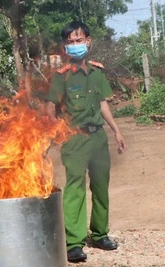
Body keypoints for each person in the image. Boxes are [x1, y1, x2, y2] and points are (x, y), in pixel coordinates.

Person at [45, 21, 127, 263]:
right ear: (64, 47)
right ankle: (74, 242)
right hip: (75, 139)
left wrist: (117, 131)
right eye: (70, 42)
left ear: (88, 41)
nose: (75, 45)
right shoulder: (61, 77)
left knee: (101, 186)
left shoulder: (97, 71)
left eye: (79, 40)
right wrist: (56, 132)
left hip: (98, 138)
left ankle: (100, 234)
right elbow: (51, 106)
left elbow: (102, 103)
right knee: (75, 190)